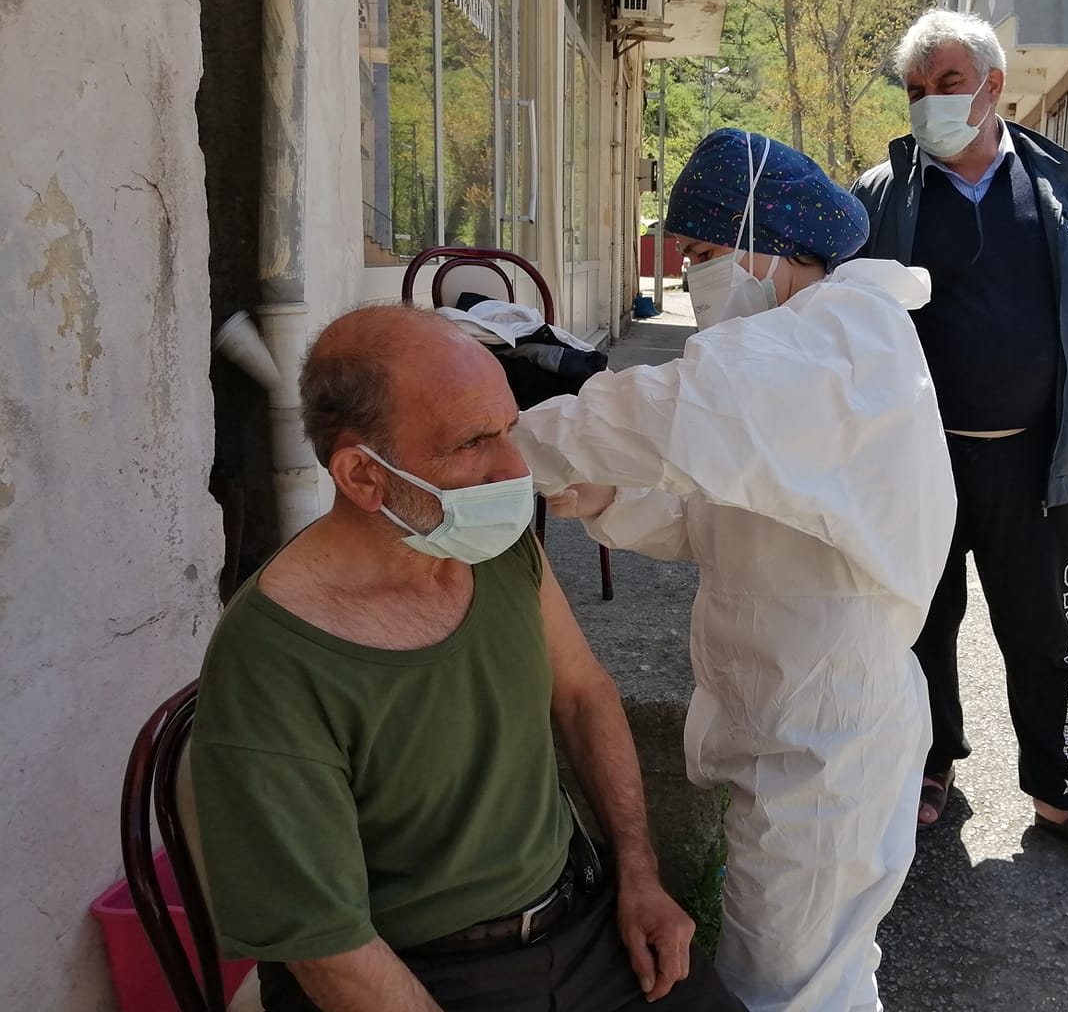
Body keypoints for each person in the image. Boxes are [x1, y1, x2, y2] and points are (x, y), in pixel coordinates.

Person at [190, 306, 747, 1012]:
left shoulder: (491, 547)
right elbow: (325, 946)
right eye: (474, 442)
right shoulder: (273, 659)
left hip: (584, 922)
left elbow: (583, 695)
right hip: (420, 975)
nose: (515, 469)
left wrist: (638, 872)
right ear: (363, 476)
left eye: (510, 428)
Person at [512, 128, 955, 1012]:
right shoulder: (795, 356)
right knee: (807, 974)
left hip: (824, 748)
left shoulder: (838, 341)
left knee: (787, 992)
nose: (691, 278)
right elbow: (710, 520)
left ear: (776, 245)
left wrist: (504, 443)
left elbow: (680, 410)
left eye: (706, 253)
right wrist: (603, 497)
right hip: (787, 724)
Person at [850, 9, 1068, 883]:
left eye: (947, 83)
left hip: (1032, 460)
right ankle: (926, 762)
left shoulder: (1061, 186)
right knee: (916, 625)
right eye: (916, 89)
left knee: (1047, 632)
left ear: (994, 86)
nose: (930, 103)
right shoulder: (881, 193)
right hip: (917, 459)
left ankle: (1065, 798)